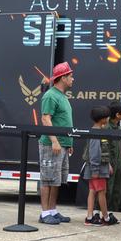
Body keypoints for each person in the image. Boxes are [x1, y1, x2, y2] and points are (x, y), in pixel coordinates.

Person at [38, 62, 75, 225]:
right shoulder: (50, 95)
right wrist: (54, 140)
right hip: (51, 144)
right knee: (47, 179)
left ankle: (53, 210)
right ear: (63, 78)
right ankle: (45, 213)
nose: (73, 79)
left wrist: (68, 142)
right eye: (70, 76)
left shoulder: (62, 96)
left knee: (57, 179)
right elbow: (46, 118)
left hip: (62, 144)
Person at [82, 106, 116, 226]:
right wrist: (96, 169)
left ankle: (89, 217)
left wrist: (108, 165)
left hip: (97, 167)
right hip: (98, 169)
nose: (108, 118)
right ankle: (106, 218)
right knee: (102, 192)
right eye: (107, 116)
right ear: (102, 119)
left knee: (92, 191)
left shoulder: (96, 130)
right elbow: (95, 152)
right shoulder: (97, 133)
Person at [106, 100, 121, 214]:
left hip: (118, 162)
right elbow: (105, 147)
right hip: (110, 163)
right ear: (117, 115)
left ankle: (113, 212)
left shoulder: (117, 127)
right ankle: (103, 212)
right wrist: (107, 163)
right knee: (108, 189)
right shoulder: (107, 127)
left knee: (117, 189)